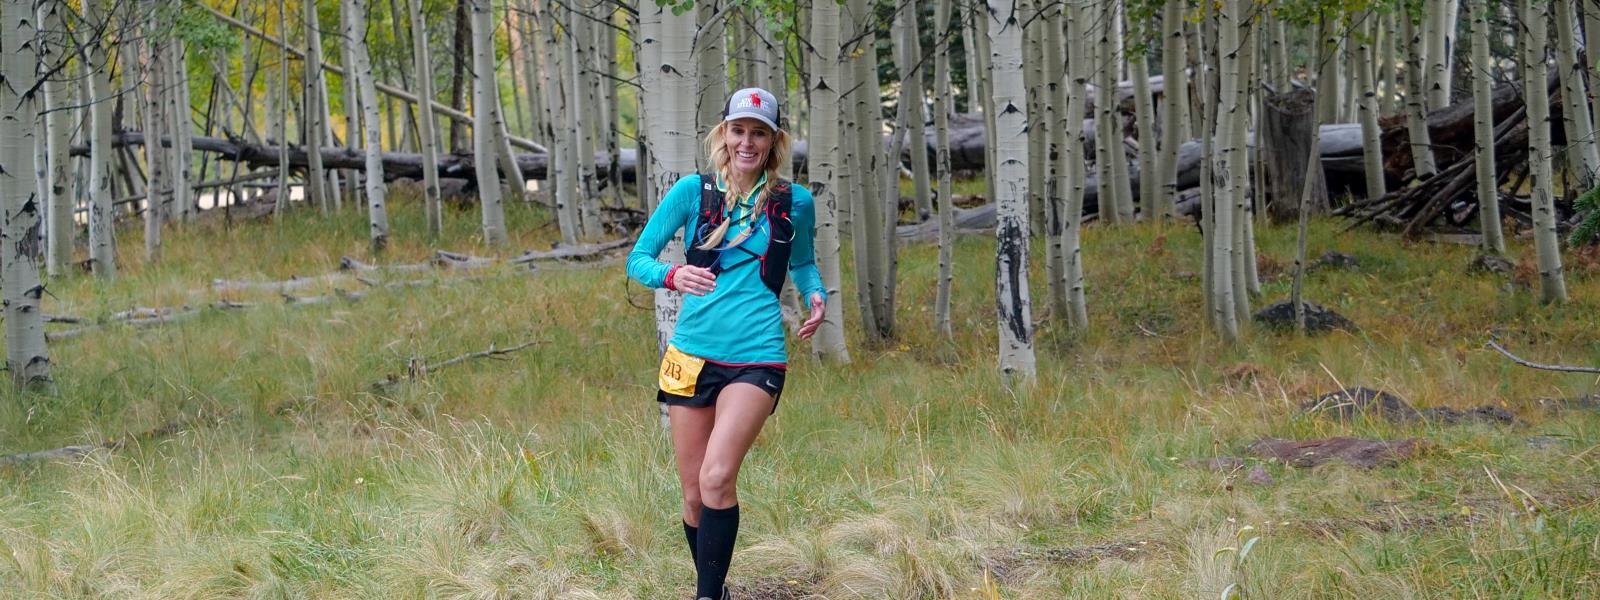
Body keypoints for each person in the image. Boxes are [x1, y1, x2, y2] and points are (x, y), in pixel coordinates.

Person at [626, 87, 827, 600]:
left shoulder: (794, 202)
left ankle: (707, 597)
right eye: (738, 130)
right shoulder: (693, 192)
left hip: (757, 357)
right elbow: (638, 259)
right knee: (694, 495)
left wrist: (815, 295)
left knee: (717, 477)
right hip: (690, 356)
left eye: (759, 133)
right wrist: (673, 275)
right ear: (724, 134)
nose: (747, 142)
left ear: (774, 142)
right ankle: (716, 589)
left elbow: (803, 262)